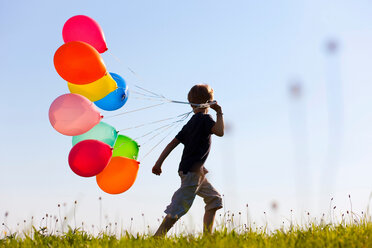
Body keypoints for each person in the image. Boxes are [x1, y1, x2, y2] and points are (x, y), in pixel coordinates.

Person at [152, 84, 224, 236]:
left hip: (194, 171)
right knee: (179, 207)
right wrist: (219, 113)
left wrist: (158, 163)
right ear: (209, 103)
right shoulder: (205, 119)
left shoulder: (190, 124)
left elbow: (172, 144)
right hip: (192, 172)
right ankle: (157, 237)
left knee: (214, 199)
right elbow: (220, 132)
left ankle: (207, 240)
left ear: (191, 104)